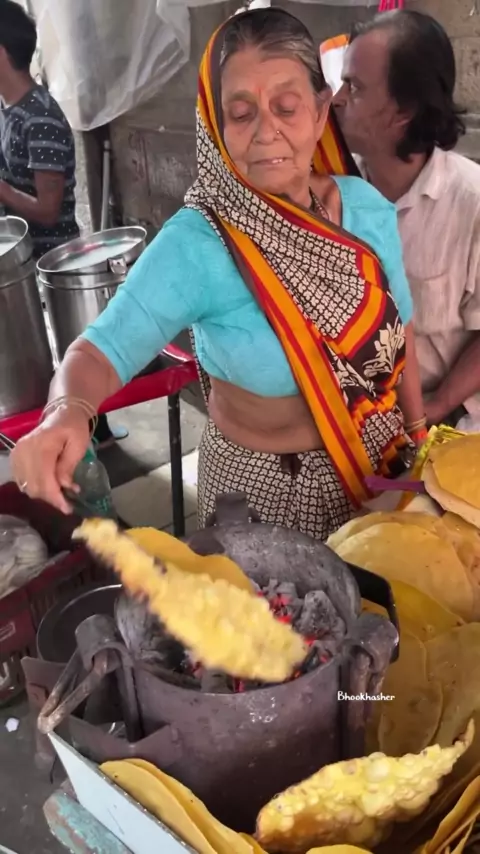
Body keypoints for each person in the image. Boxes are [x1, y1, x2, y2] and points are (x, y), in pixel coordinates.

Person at [11, 8, 425, 540]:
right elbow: (98, 350)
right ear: (216, 122)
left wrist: (419, 437)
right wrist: (65, 411)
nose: (267, 131)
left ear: (322, 111)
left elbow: (402, 331)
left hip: (380, 472)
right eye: (241, 112)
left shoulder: (366, 209)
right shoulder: (200, 241)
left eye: (287, 107)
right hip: (264, 497)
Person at [334, 9, 480, 431]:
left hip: (444, 422)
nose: (337, 99)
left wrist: (434, 408)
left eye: (355, 87)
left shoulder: (470, 202)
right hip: (355, 420)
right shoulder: (332, 192)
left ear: (404, 110)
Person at [0, 0, 122, 448]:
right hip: (18, 264)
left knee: (67, 364)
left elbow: (49, 210)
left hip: (49, 265)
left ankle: (89, 435)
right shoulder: (9, 111)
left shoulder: (42, 117)